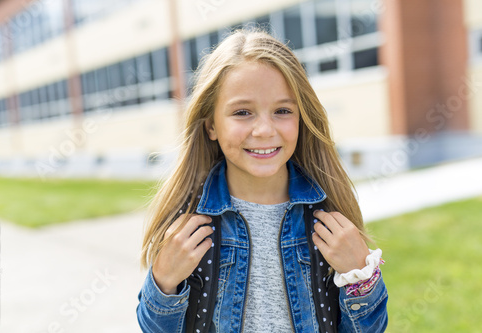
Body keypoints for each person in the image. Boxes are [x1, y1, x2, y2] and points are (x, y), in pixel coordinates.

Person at [137, 29, 388, 333]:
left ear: (301, 117)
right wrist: (164, 281)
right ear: (211, 125)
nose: (264, 130)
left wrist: (361, 277)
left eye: (282, 111)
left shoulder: (329, 219)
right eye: (243, 112)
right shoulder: (188, 226)